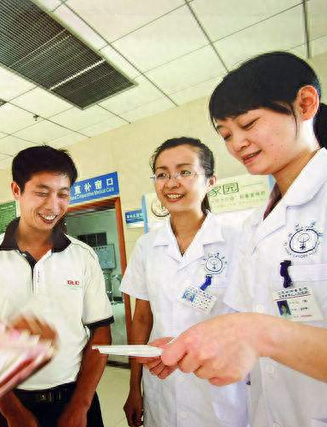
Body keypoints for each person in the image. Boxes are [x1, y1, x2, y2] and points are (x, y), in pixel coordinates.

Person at [146, 51, 327, 426]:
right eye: (226, 134)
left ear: (305, 104)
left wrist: (262, 334)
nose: (237, 143)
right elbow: (244, 321)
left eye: (249, 124)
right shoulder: (257, 224)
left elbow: (258, 330)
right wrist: (190, 344)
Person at [0, 146, 113, 427]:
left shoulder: (83, 256)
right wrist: (12, 412)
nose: (53, 206)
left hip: (73, 397)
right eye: (42, 192)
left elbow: (101, 332)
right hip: (3, 401)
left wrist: (80, 405)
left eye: (63, 194)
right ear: (16, 190)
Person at [120, 138, 248, 427]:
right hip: (162, 383)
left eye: (184, 172)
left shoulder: (238, 241)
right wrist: (134, 387)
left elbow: (250, 318)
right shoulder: (147, 246)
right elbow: (142, 319)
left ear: (210, 181)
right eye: (162, 174)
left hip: (219, 386)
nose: (171, 183)